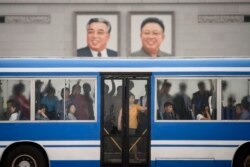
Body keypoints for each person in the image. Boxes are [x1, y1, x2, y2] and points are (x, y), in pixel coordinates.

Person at [128, 94, 147, 161]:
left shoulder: (136, 106)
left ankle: (135, 157)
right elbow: (120, 116)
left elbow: (143, 108)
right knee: (127, 142)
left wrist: (152, 103)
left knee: (132, 143)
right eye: (131, 98)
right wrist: (119, 125)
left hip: (133, 127)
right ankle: (128, 156)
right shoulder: (124, 106)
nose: (132, 99)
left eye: (133, 98)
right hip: (125, 127)